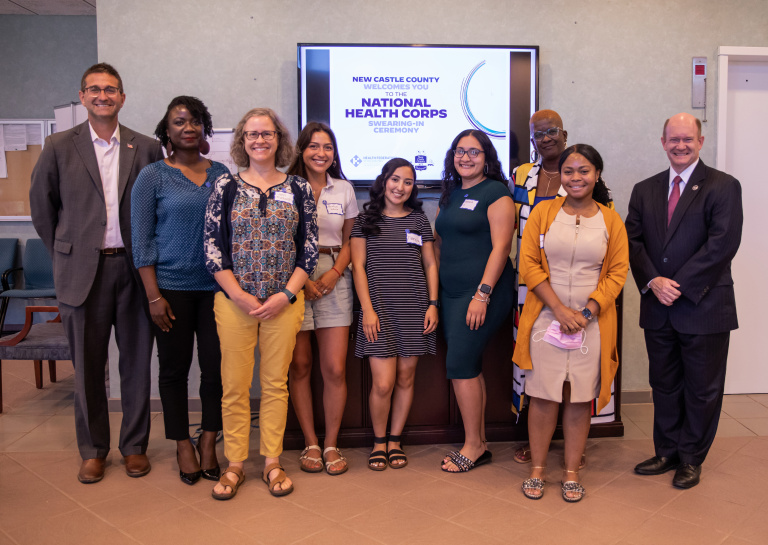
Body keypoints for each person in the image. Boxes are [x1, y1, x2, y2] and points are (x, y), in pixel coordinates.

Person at [29, 63, 163, 484]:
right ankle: (93, 449)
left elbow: (158, 210)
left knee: (137, 362)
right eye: (94, 89)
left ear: (122, 97)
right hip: (81, 272)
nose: (102, 95)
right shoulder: (57, 146)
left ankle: (134, 446)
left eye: (111, 89)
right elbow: (42, 209)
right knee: (87, 366)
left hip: (134, 268)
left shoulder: (145, 148)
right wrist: (66, 253)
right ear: (83, 97)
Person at [204, 108, 318, 499]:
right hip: (234, 303)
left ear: (278, 139)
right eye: (252, 134)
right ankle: (235, 464)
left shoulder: (299, 189)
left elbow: (309, 251)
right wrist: (238, 294)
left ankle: (272, 461)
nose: (259, 140)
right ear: (242, 140)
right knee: (234, 387)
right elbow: (212, 249)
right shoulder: (226, 186)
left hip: (284, 305)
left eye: (266, 134)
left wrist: (285, 295)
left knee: (274, 385)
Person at [625, 113, 743, 489]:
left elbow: (722, 244)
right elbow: (633, 241)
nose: (680, 146)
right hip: (658, 306)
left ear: (701, 142)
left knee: (702, 388)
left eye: (687, 140)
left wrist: (677, 285)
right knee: (664, 384)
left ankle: (691, 457)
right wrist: (653, 282)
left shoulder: (723, 186)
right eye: (673, 139)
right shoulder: (645, 189)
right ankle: (667, 451)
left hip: (704, 305)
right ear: (663, 142)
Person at [513, 144, 628, 502]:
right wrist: (560, 310)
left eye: (584, 171)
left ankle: (572, 471)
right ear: (559, 176)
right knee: (543, 395)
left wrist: (587, 312)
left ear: (596, 175)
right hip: (546, 318)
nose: (576, 178)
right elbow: (528, 263)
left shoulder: (611, 220)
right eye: (569, 171)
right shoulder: (543, 213)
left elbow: (617, 272)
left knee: (579, 399)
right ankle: (538, 469)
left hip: (591, 324)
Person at [131, 96, 227, 485]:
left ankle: (207, 440)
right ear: (166, 131)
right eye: (179, 122)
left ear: (205, 129)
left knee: (216, 371)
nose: (188, 127)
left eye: (195, 121)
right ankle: (181, 443)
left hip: (218, 290)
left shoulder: (222, 173)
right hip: (169, 290)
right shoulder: (152, 176)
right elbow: (141, 241)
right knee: (173, 370)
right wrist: (153, 296)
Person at [350, 158, 439, 471]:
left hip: (415, 309)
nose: (401, 187)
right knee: (383, 384)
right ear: (383, 180)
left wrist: (433, 304)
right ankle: (378, 441)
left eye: (408, 181)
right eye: (395, 179)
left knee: (405, 377)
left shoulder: (418, 221)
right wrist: (367, 310)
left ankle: (395, 440)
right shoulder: (365, 220)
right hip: (379, 312)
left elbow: (430, 264)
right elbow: (357, 266)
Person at [435, 130, 515, 472]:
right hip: (451, 293)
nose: (466, 157)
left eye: (474, 152)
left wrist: (482, 294)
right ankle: (478, 440)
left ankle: (472, 445)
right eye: (460, 151)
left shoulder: (496, 192)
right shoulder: (451, 193)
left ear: (487, 158)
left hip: (484, 291)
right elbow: (441, 243)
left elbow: (501, 247)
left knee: (460, 364)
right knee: (467, 366)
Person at [286, 122, 359, 475]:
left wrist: (332, 274)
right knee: (299, 365)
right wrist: (301, 283)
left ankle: (331, 444)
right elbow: (281, 240)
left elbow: (351, 240)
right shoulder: (285, 187)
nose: (321, 153)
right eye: (313, 146)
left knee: (334, 368)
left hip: (334, 273)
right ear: (302, 150)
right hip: (291, 276)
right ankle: (310, 443)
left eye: (327, 147)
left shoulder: (344, 189)